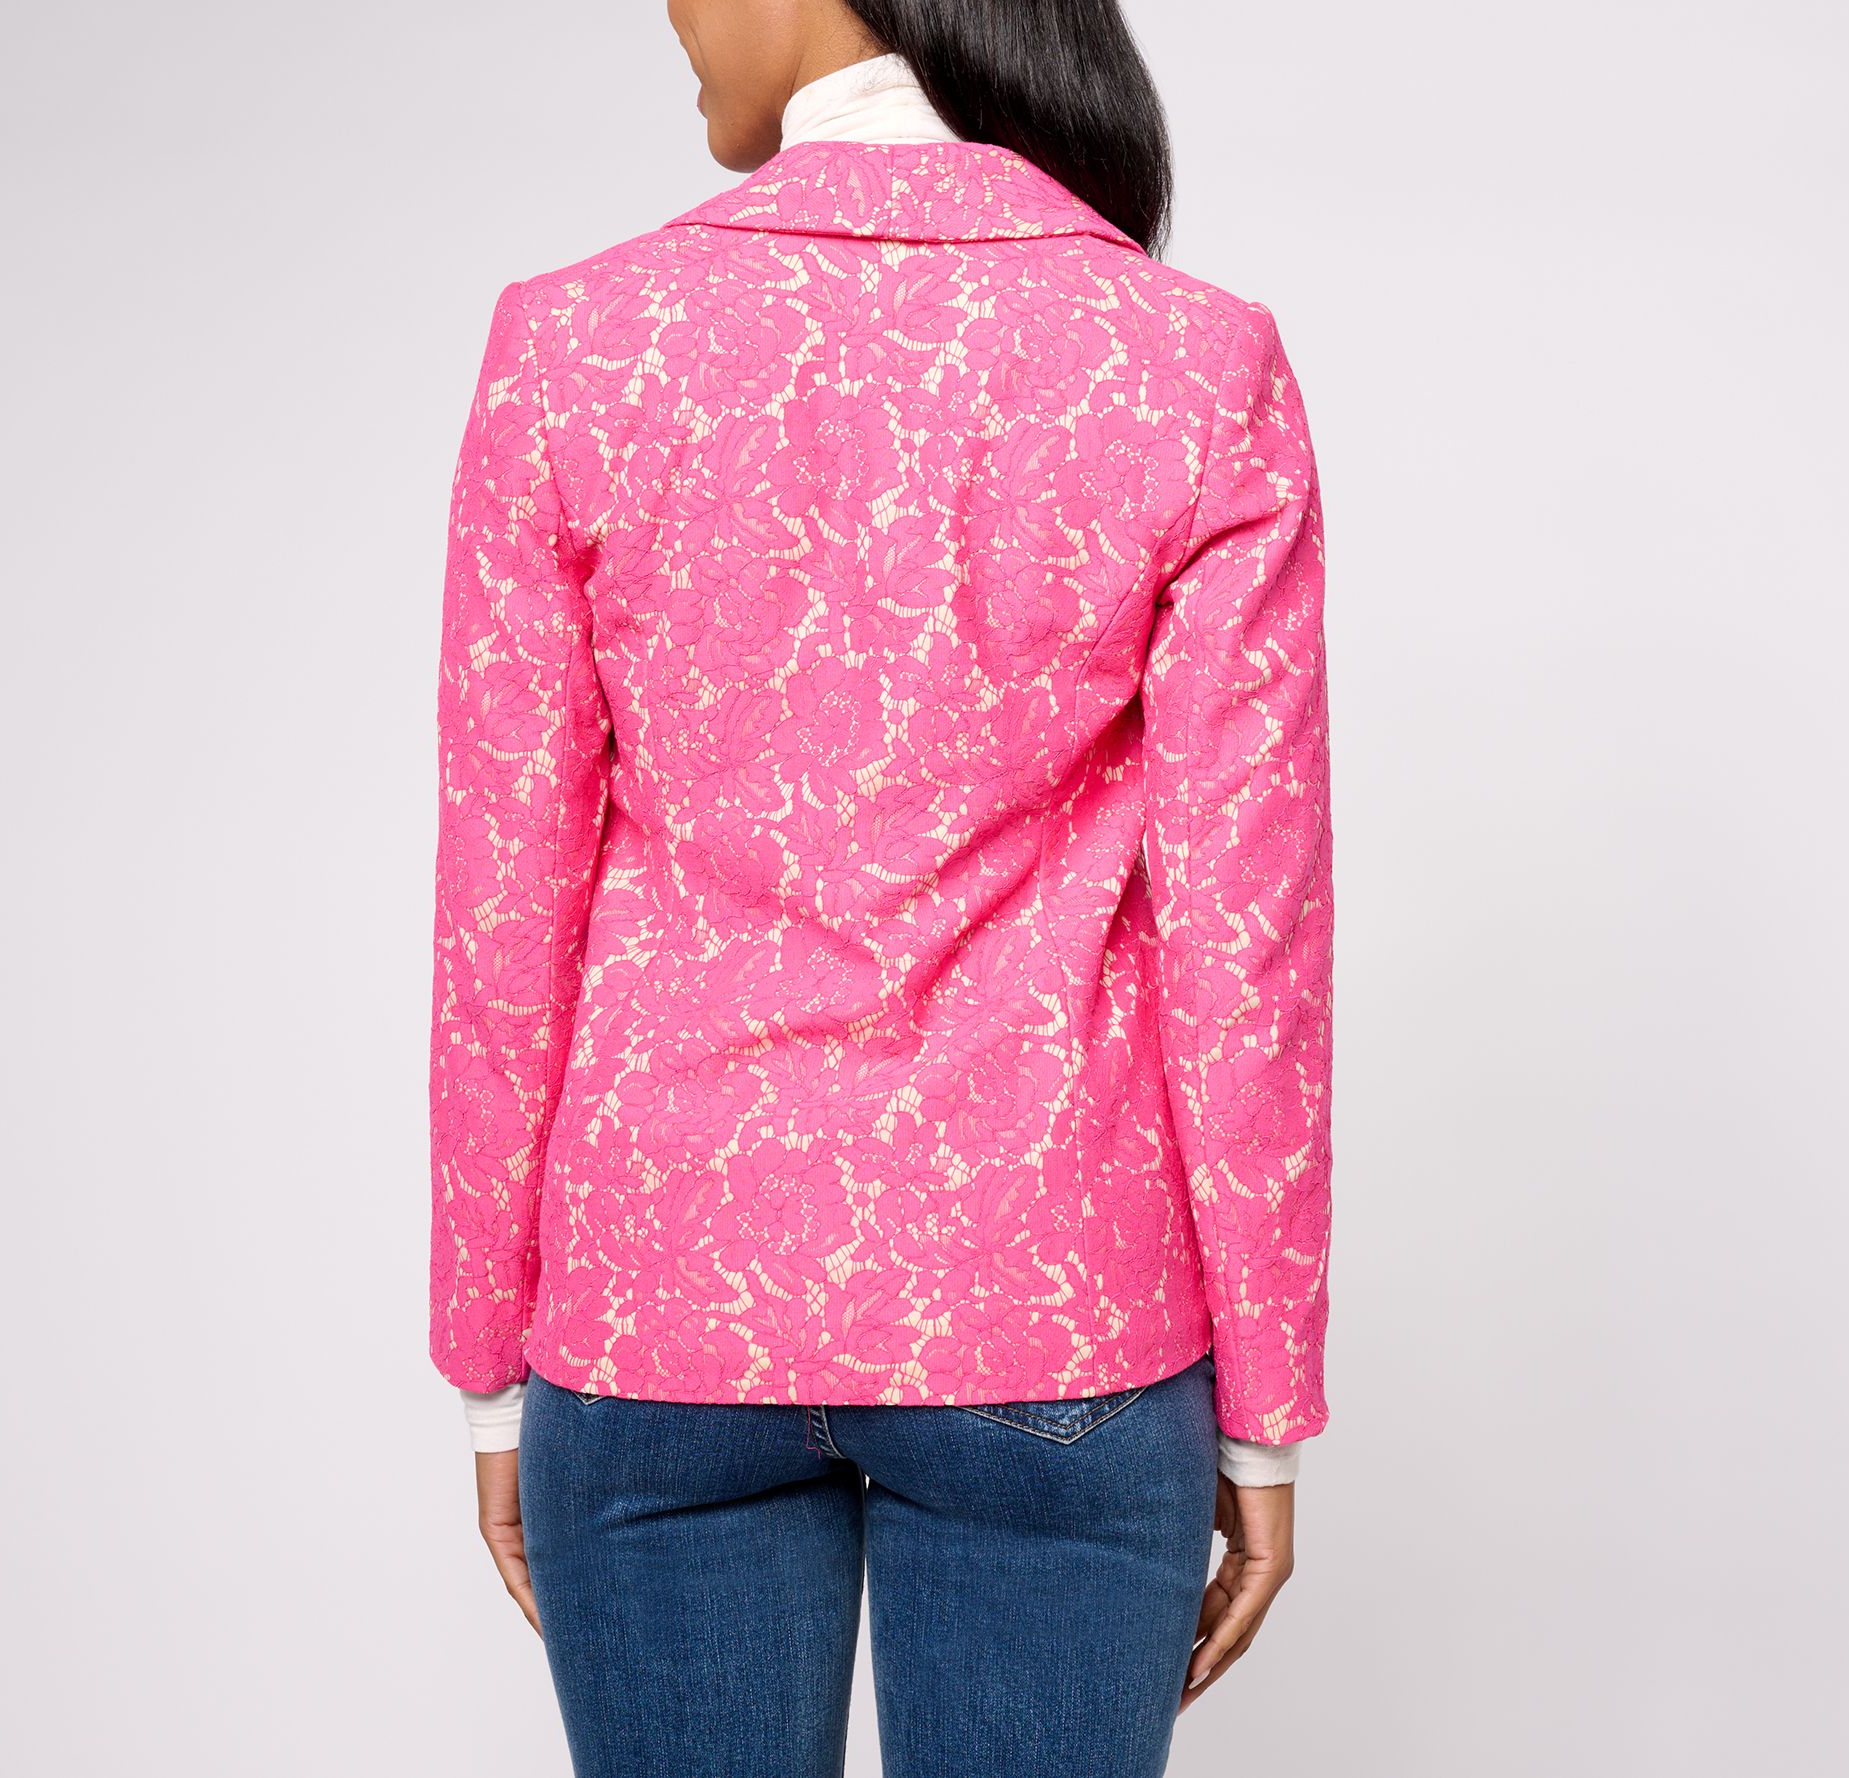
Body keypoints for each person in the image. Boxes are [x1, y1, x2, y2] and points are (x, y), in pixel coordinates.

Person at [427, 2, 1333, 1772]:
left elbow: (499, 907)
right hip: (1053, 1310)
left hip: (660, 1306)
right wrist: (1266, 1410)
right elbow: (1250, 933)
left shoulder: (573, 346)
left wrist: (485, 1362)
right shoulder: (1190, 361)